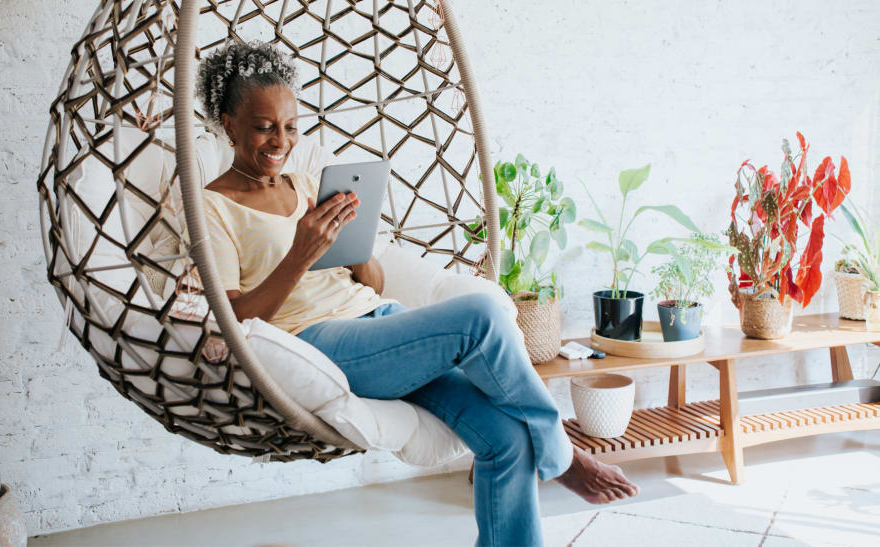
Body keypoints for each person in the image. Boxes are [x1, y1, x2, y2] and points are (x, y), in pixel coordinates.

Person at [198, 41, 638, 547]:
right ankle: (564, 456)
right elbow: (233, 318)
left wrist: (353, 245)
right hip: (318, 343)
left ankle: (543, 457)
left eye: (291, 126)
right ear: (229, 124)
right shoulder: (213, 207)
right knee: (480, 313)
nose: (281, 140)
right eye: (263, 126)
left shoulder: (303, 182)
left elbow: (373, 284)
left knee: (507, 438)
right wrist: (300, 253)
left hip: (380, 325)